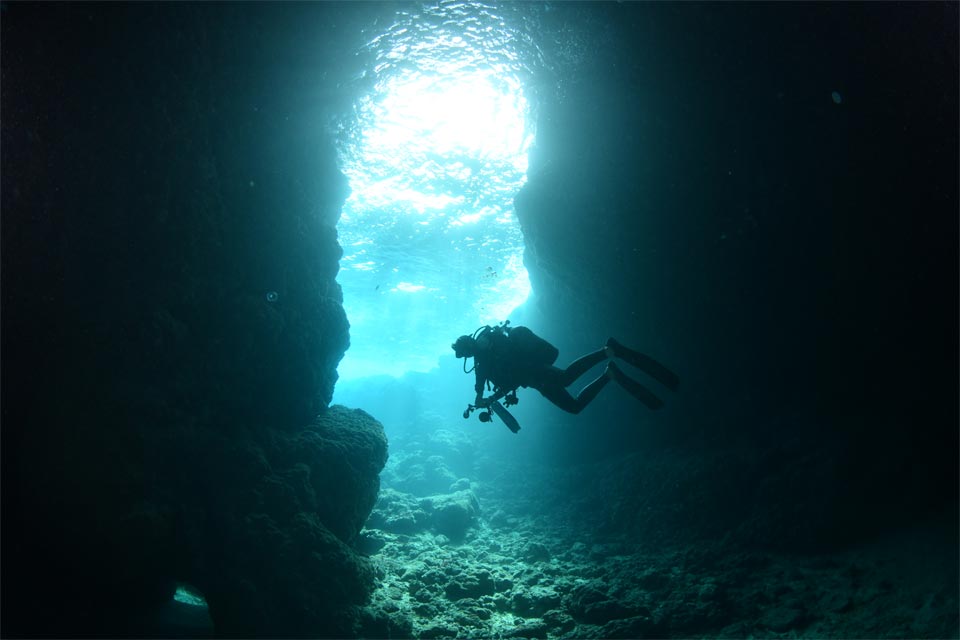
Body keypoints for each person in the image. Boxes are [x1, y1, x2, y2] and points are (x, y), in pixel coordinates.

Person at [452, 323, 679, 415]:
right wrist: (487, 399)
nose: (467, 356)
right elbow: (494, 382)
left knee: (566, 378)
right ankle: (610, 373)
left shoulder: (485, 355)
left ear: (468, 347)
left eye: (464, 353)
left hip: (535, 370)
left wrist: (482, 398)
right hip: (535, 381)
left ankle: (608, 351)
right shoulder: (483, 358)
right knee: (573, 407)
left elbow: (484, 381)